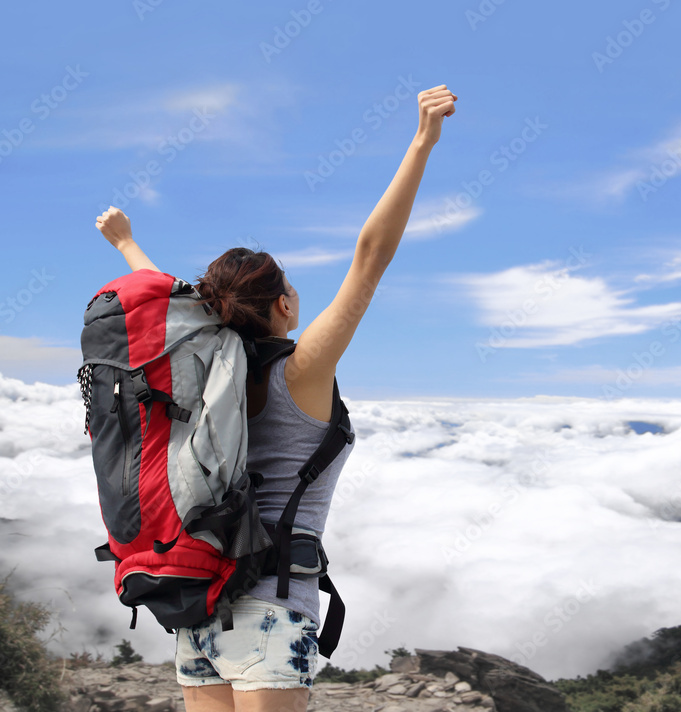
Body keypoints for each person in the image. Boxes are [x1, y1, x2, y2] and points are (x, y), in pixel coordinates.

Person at [94, 84, 457, 712]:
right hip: (271, 605)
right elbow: (369, 260)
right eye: (292, 290)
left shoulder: (192, 378)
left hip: (197, 601)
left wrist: (127, 246)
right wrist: (422, 143)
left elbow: (163, 327)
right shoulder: (302, 371)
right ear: (285, 305)